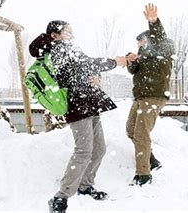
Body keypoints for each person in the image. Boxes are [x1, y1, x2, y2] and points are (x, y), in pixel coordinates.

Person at [29, 20, 127, 212]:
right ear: (55, 35)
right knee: (84, 151)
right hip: (78, 105)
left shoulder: (69, 48)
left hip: (89, 103)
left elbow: (85, 66)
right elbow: (85, 64)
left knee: (99, 149)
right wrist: (115, 62)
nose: (71, 33)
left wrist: (95, 76)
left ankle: (85, 185)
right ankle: (61, 197)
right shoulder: (57, 49)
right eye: (66, 30)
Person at [125, 3, 175, 186]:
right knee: (131, 130)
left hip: (154, 96)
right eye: (138, 43)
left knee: (141, 133)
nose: (139, 45)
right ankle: (151, 160)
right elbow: (133, 71)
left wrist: (153, 22)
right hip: (140, 97)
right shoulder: (143, 57)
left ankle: (143, 175)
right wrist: (131, 60)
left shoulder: (163, 49)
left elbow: (160, 38)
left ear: (150, 40)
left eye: (142, 42)